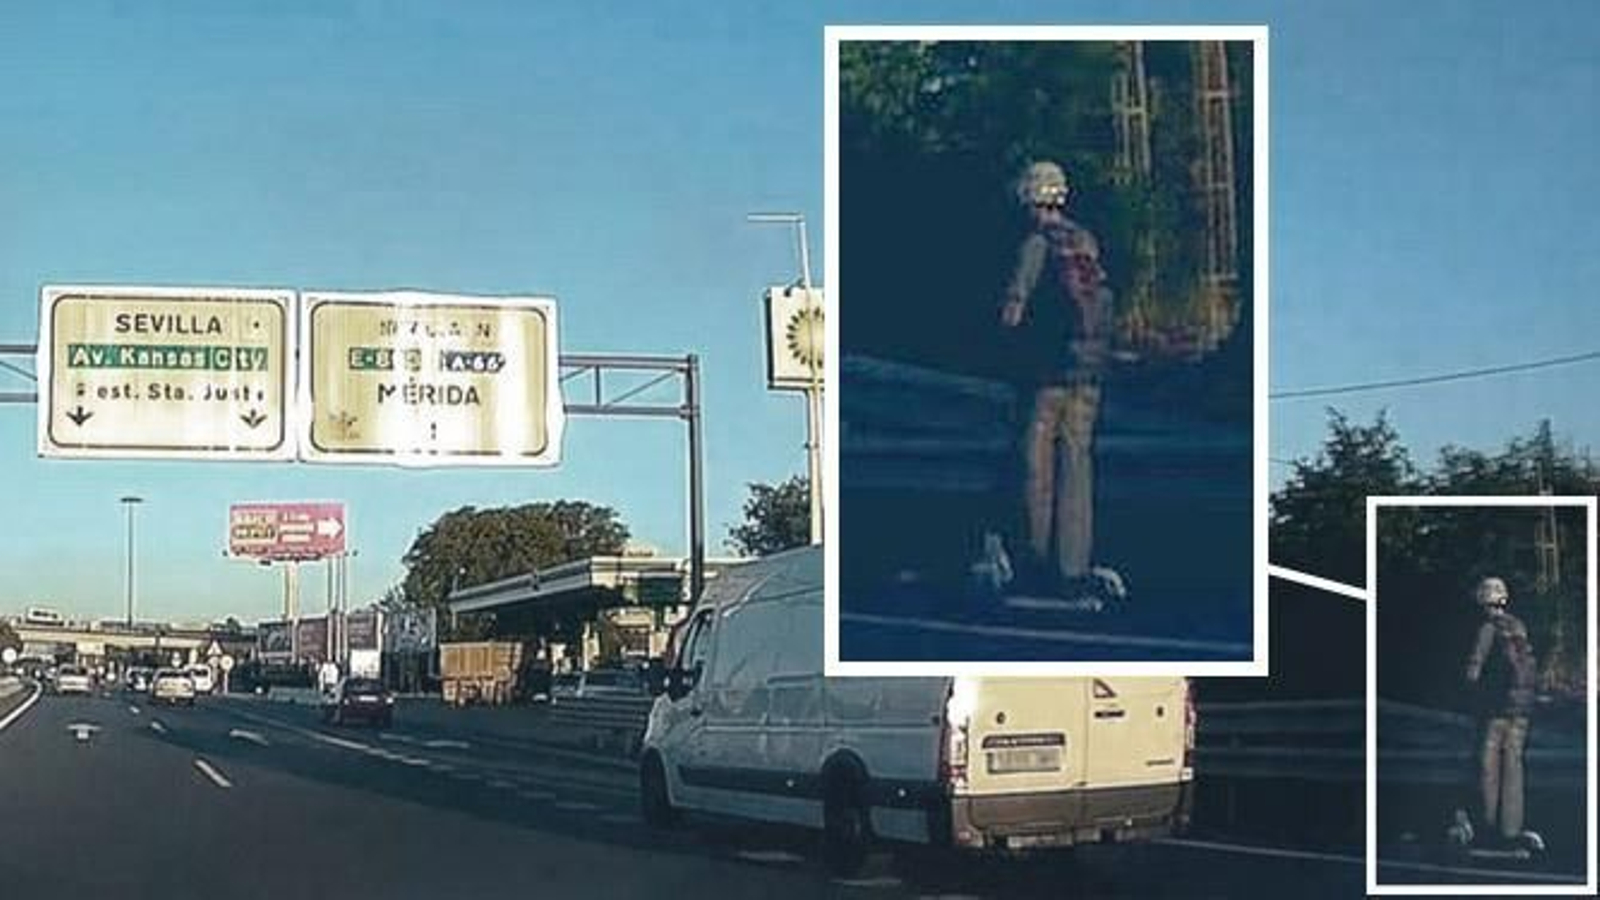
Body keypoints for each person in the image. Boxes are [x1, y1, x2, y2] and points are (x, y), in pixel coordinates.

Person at [997, 160, 1126, 605]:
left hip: (1048, 373)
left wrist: (1008, 340)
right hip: (1089, 370)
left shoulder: (1036, 244)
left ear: (1028, 197)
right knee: (1077, 465)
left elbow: (1013, 311)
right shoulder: (1085, 240)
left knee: (1037, 467)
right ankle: (1074, 567)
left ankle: (1036, 564)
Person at [1462, 576, 1544, 852]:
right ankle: (1511, 830)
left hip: (1495, 711)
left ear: (1482, 601)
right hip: (1521, 710)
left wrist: (1472, 694)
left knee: (1488, 770)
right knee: (1513, 770)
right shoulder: (1518, 626)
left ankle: (1487, 830)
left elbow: (1473, 671)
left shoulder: (1488, 629)